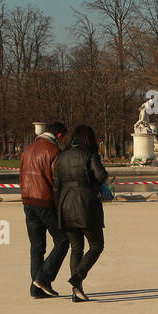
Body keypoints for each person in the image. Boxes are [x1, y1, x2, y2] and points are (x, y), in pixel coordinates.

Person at [54, 124, 109, 301]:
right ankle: (78, 276)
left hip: (65, 204)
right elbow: (101, 176)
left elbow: (56, 185)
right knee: (96, 245)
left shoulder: (61, 156)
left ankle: (77, 291)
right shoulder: (89, 154)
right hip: (85, 204)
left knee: (76, 248)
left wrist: (58, 208)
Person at [20, 122, 71, 298]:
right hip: (45, 201)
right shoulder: (54, 151)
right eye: (64, 137)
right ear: (59, 135)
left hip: (28, 201)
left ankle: (36, 288)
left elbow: (21, 176)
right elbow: (57, 182)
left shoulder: (27, 150)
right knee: (63, 240)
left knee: (37, 246)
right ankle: (44, 278)